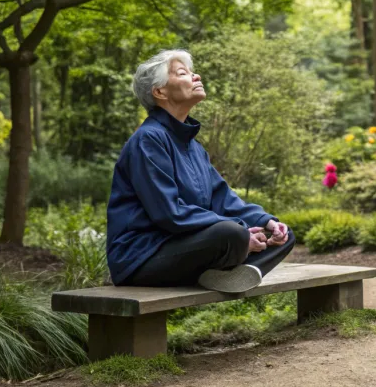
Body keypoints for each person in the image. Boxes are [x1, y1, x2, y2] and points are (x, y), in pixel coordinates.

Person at [106, 49, 295, 292]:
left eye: (192, 72)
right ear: (159, 91)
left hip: (182, 246)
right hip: (142, 256)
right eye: (183, 73)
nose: (196, 76)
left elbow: (222, 198)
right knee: (232, 233)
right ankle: (226, 267)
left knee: (284, 234)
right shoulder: (148, 140)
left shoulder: (193, 147)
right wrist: (241, 231)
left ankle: (236, 274)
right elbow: (169, 212)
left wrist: (266, 222)